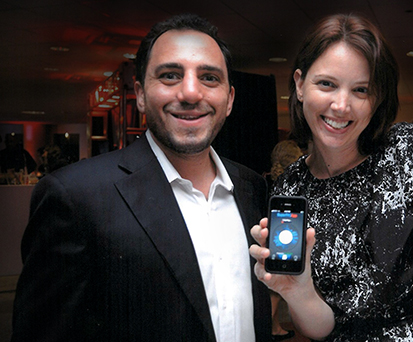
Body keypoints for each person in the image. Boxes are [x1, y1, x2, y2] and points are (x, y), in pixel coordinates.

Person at [12, 14, 271, 342]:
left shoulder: (252, 188)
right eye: (170, 75)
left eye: (209, 78)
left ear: (230, 99)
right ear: (141, 94)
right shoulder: (75, 197)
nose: (191, 93)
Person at [250, 13, 413, 341]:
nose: (341, 105)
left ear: (377, 97)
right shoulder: (293, 187)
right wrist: (297, 291)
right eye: (327, 84)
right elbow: (322, 328)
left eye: (361, 90)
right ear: (299, 84)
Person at [264, 139, 303, 341]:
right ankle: (266, 330)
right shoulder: (294, 182)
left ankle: (276, 327)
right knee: (276, 292)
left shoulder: (264, 179)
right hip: (285, 241)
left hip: (266, 238)